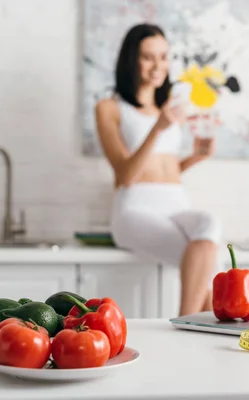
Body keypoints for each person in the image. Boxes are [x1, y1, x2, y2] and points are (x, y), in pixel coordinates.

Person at [94, 23, 223, 316]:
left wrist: (197, 156)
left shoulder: (169, 106)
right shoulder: (109, 108)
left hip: (175, 202)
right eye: (148, 57)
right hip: (134, 209)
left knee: (209, 226)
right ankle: (190, 325)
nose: (159, 65)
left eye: (164, 57)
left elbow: (164, 168)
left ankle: (188, 323)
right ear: (131, 60)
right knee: (208, 264)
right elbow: (126, 175)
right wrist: (158, 128)